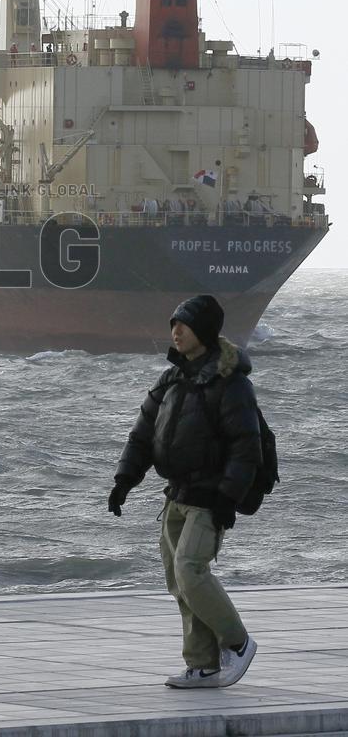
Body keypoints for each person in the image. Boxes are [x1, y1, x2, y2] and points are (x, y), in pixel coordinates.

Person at [107, 294, 261, 690]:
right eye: (173, 323)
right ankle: (202, 665)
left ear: (204, 332)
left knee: (191, 570)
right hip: (176, 495)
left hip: (210, 497)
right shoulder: (172, 378)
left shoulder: (230, 383)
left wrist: (227, 498)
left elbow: (247, 446)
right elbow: (142, 434)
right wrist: (124, 481)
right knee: (178, 582)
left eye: (184, 324)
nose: (175, 331)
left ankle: (238, 642)